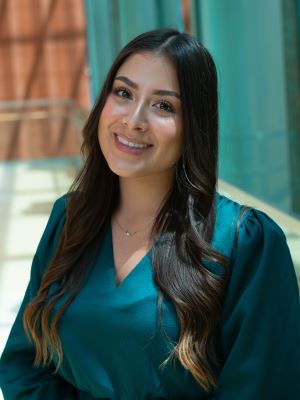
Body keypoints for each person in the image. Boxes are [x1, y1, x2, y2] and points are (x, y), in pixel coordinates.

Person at [0, 27, 299, 400]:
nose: (134, 120)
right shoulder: (71, 218)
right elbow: (24, 364)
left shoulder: (245, 241)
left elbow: (264, 387)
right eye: (123, 93)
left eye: (164, 106)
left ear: (194, 126)